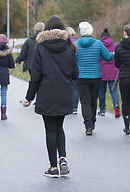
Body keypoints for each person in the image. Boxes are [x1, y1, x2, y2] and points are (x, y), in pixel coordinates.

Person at [22, 15, 79, 178]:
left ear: (46, 30)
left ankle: (53, 167)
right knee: (60, 127)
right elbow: (76, 74)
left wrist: (29, 97)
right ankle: (63, 158)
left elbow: (36, 76)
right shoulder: (70, 47)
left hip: (46, 93)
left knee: (50, 130)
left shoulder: (40, 47)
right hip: (64, 93)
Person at [76, 22, 114, 135]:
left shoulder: (76, 44)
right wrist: (115, 53)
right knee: (93, 100)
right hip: (96, 76)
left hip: (81, 77)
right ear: (91, 31)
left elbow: (72, 60)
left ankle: (88, 125)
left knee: (84, 101)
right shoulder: (98, 44)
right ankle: (92, 122)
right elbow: (107, 57)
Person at [98, 28, 120, 118]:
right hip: (114, 72)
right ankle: (116, 106)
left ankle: (102, 109)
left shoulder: (99, 45)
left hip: (102, 72)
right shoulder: (116, 46)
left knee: (101, 91)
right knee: (114, 91)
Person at [66, 27, 79, 114]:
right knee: (75, 88)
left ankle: (68, 105)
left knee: (68, 87)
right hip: (76, 67)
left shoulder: (67, 43)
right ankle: (75, 107)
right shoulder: (77, 42)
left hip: (68, 68)